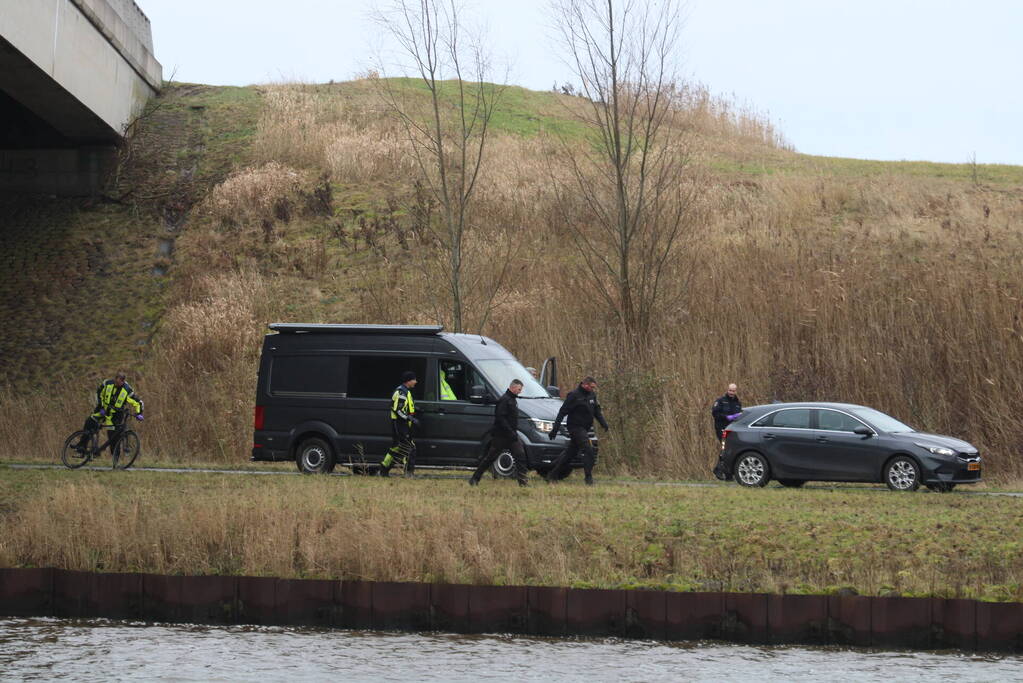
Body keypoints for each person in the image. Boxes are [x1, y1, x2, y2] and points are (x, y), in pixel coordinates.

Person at [545, 376, 608, 485]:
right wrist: (555, 429)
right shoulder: (574, 395)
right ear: (585, 384)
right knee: (588, 450)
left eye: (593, 387)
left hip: (585, 428)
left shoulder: (592, 395)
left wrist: (604, 423)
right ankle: (588, 479)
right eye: (591, 387)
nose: (592, 389)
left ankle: (552, 475)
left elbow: (596, 411)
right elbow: (562, 412)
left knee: (569, 454)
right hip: (575, 427)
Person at [468, 379, 529, 487]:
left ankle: (523, 482)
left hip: (511, 436)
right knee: (490, 457)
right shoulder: (505, 400)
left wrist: (513, 433)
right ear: (513, 387)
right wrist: (510, 432)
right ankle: (475, 478)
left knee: (520, 455)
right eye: (519, 389)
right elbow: (500, 418)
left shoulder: (512, 399)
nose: (520, 391)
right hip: (501, 436)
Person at [75, 372, 144, 457]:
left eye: (120, 383)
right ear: (115, 379)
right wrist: (101, 406)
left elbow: (138, 402)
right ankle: (81, 446)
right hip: (103, 411)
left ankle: (115, 460)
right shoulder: (107, 383)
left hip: (116, 415)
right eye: (116, 382)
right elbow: (99, 393)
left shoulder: (127, 390)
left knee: (114, 437)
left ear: (123, 381)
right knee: (90, 421)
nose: (117, 384)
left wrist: (139, 413)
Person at [379, 371, 418, 478]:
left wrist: (415, 410)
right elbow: (398, 410)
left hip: (402, 425)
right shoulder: (401, 393)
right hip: (400, 424)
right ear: (409, 381)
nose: (416, 381)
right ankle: (408, 473)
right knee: (410, 448)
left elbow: (406, 406)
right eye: (414, 379)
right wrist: (410, 418)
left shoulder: (405, 391)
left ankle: (384, 469)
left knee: (396, 448)